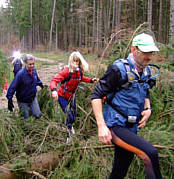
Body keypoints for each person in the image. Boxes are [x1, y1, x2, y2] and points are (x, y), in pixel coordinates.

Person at [91, 33, 162, 179]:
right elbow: (96, 95)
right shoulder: (118, 69)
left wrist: (147, 108)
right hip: (116, 126)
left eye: (151, 53)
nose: (149, 57)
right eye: (145, 52)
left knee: (120, 169)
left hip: (132, 126)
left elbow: (145, 91)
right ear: (134, 49)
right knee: (150, 153)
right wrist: (101, 126)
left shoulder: (147, 70)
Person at [50, 51, 98, 141]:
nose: (76, 63)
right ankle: (68, 136)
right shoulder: (66, 71)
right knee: (69, 115)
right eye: (74, 61)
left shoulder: (79, 71)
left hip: (72, 96)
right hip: (62, 96)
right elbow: (54, 80)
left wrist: (91, 80)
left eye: (78, 61)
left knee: (74, 115)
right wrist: (54, 91)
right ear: (71, 61)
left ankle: (70, 126)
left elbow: (82, 78)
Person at [6, 54, 43, 119]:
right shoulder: (20, 74)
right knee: (25, 119)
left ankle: (32, 111)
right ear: (25, 63)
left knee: (38, 115)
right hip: (22, 99)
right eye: (30, 64)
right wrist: (9, 99)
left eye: (33, 64)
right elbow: (13, 86)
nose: (32, 66)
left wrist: (41, 85)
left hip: (32, 98)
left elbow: (37, 79)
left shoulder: (34, 71)